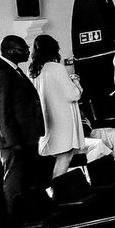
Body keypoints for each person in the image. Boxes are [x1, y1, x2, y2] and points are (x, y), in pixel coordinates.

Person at [0, 35, 47, 216]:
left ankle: (30, 211)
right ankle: (16, 217)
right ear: (10, 51)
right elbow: (2, 113)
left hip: (25, 136)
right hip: (12, 140)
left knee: (27, 178)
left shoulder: (14, 70)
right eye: (23, 49)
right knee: (15, 181)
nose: (28, 51)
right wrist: (14, 142)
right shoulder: (0, 73)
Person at [27, 34, 84, 179]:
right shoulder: (56, 68)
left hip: (48, 119)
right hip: (62, 119)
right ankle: (57, 191)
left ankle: (59, 189)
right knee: (65, 156)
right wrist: (76, 84)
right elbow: (73, 95)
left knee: (62, 156)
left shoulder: (33, 70)